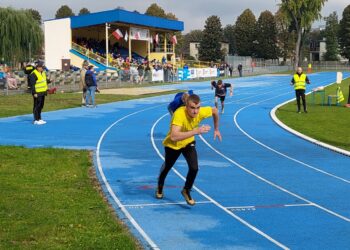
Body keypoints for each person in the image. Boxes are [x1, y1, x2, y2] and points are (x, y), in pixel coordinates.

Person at [156, 94, 222, 206]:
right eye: (192, 108)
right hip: (173, 145)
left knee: (194, 168)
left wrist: (216, 129)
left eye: (197, 108)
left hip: (188, 142)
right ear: (186, 106)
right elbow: (174, 136)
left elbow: (215, 111)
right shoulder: (179, 114)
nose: (195, 112)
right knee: (167, 167)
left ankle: (186, 190)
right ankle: (160, 186)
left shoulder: (201, 111)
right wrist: (196, 131)